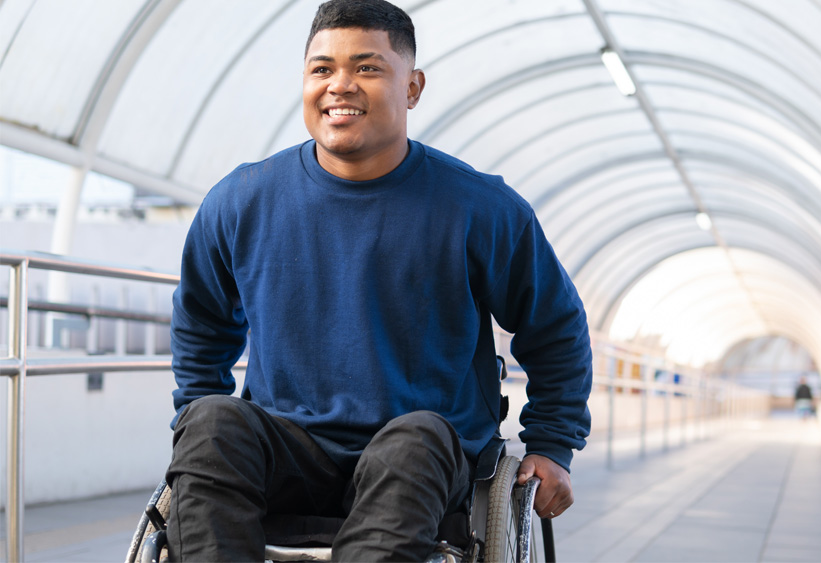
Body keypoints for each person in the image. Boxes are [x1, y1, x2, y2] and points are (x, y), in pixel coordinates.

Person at [165, 1, 593, 561]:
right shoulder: (241, 201)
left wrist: (552, 444)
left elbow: (555, 326)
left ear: (412, 87)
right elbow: (201, 322)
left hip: (422, 459)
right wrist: (197, 416)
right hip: (290, 448)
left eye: (367, 68)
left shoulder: (481, 208)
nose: (340, 85)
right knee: (209, 424)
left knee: (415, 438)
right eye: (322, 69)